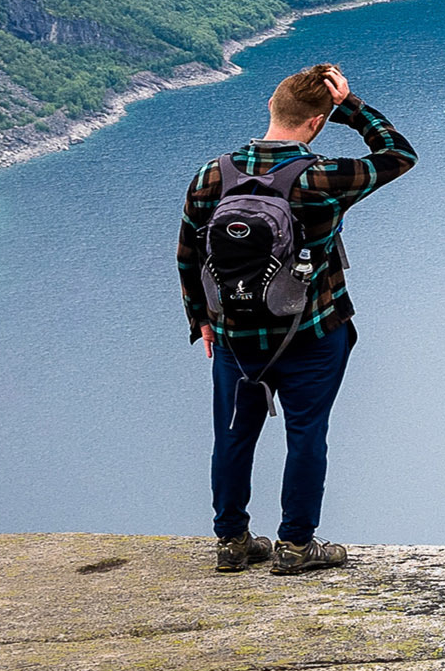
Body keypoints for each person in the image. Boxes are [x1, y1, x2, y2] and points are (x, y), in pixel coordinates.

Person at [177, 60, 417, 574]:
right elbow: (398, 155)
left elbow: (188, 253)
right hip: (312, 332)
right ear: (317, 122)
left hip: (234, 336)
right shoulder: (323, 177)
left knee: (234, 434)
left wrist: (201, 318)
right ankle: (295, 546)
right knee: (306, 433)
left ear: (271, 106)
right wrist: (351, 107)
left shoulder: (212, 174)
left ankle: (233, 542)